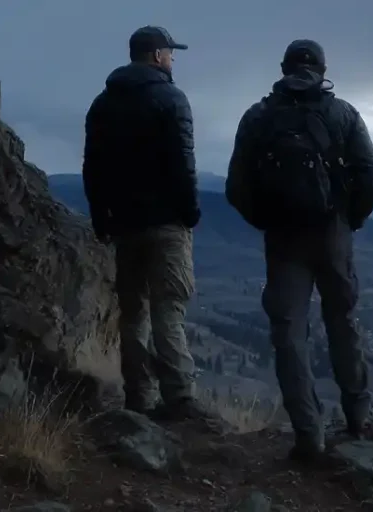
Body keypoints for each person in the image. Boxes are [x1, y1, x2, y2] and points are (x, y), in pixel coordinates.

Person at [225, 40, 373, 464]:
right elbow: (371, 178)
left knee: (289, 334)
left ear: (284, 68)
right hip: (332, 234)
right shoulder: (343, 114)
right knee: (343, 323)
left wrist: (266, 219)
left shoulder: (258, 117)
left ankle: (308, 435)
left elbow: (236, 186)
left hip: (283, 239)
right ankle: (358, 419)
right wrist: (350, 220)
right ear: (323, 69)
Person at [81, 26, 209, 421]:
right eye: (170, 53)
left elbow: (93, 169)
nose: (172, 59)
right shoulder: (171, 99)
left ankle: (139, 397)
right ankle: (180, 400)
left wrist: (102, 217)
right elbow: (182, 165)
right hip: (167, 224)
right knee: (169, 309)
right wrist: (190, 212)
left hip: (124, 225)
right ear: (156, 56)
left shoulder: (102, 104)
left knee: (133, 312)